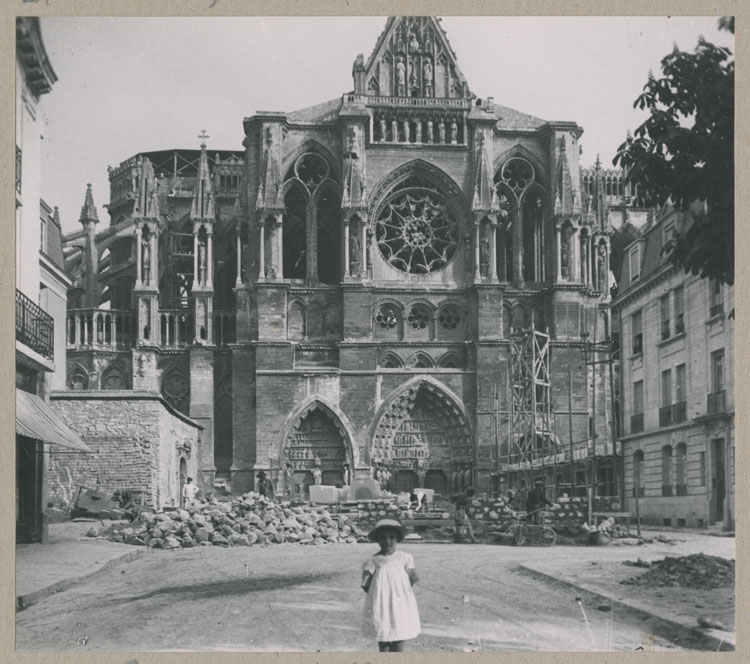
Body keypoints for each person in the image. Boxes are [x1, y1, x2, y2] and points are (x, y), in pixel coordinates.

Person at [361, 518, 420, 652]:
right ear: (377, 540)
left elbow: (412, 579)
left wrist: (401, 594)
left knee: (399, 634)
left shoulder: (405, 558)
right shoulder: (373, 560)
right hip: (381, 604)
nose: (387, 541)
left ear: (398, 538)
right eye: (383, 537)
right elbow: (365, 584)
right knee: (384, 637)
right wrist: (379, 593)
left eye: (392, 537)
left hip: (400, 603)